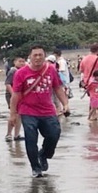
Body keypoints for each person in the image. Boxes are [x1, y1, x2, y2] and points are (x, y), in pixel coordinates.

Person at [8, 46, 69, 178]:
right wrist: (13, 114)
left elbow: (57, 88)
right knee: (31, 139)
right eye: (34, 55)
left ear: (44, 56)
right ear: (29, 57)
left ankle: (44, 154)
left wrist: (65, 103)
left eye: (40, 55)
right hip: (28, 110)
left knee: (54, 134)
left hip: (47, 110)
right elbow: (16, 95)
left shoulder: (51, 69)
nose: (37, 58)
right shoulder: (21, 73)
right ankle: (35, 168)